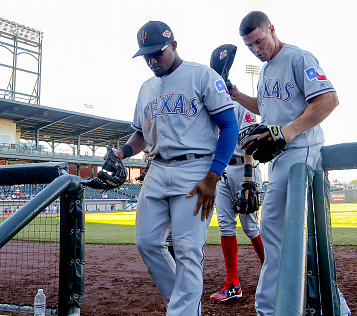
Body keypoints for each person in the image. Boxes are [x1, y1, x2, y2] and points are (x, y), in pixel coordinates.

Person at [230, 11, 351, 316]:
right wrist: (236, 94)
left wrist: (287, 132)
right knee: (286, 236)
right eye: (250, 46)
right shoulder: (267, 70)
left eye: (259, 41)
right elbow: (268, 109)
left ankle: (270, 308)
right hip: (280, 157)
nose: (256, 49)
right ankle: (331, 306)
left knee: (278, 233)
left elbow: (328, 100)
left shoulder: (298, 57)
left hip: (302, 153)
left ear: (272, 29)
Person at [115, 20, 238, 315]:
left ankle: (183, 310)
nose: (152, 60)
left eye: (157, 53)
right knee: (147, 242)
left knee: (187, 250)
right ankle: (185, 304)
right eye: (146, 54)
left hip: (195, 169)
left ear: (174, 45)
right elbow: (142, 135)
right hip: (156, 169)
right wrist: (121, 152)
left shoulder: (201, 76)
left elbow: (229, 126)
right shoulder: (146, 88)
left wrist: (213, 174)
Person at [208, 45, 265, 303]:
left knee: (251, 226)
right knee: (225, 225)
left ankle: (272, 271)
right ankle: (233, 283)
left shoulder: (239, 104)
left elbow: (250, 141)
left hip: (244, 167)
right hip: (220, 170)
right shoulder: (208, 106)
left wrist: (248, 176)